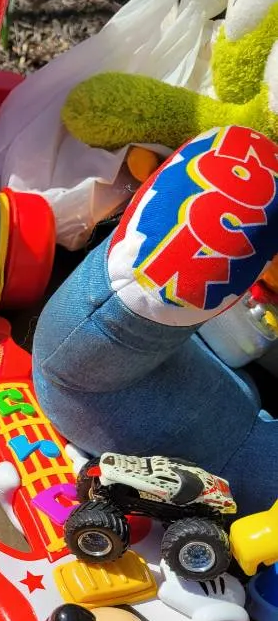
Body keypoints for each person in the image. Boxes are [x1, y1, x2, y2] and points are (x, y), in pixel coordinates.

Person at [32, 125, 278, 516]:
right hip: (212, 406)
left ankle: (144, 295)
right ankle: (144, 296)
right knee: (121, 324)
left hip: (204, 377)